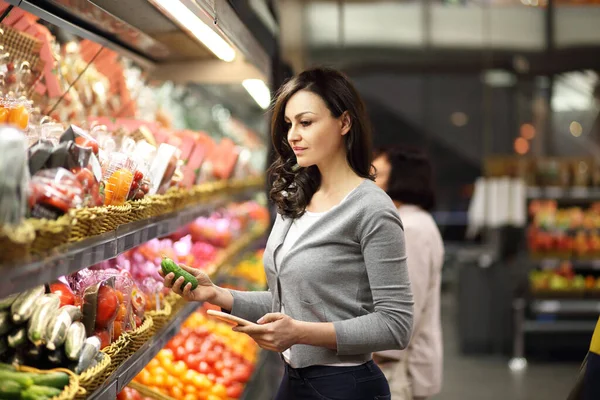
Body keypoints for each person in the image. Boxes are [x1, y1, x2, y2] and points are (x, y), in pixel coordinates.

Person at [162, 67, 414, 400]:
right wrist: (219, 295)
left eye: (306, 122)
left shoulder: (371, 209)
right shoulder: (296, 197)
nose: (293, 135)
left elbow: (396, 324)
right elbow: (292, 301)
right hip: (295, 382)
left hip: (345, 386)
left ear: (344, 123)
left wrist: (300, 333)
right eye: (289, 124)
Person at [372, 146, 445, 400]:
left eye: (378, 175)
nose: (370, 183)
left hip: (399, 369)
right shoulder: (415, 222)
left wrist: (375, 354)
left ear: (399, 180)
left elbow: (405, 307)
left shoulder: (409, 228)